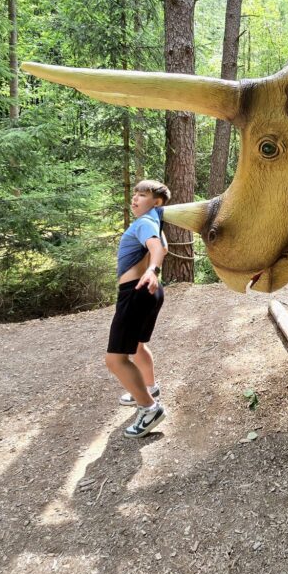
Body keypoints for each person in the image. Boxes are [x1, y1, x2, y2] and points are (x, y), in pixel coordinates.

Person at [107, 179, 169, 438]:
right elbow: (163, 247)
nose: (134, 199)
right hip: (149, 292)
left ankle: (149, 407)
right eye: (135, 194)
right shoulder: (155, 221)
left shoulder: (144, 223)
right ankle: (149, 388)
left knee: (115, 360)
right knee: (138, 346)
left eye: (142, 195)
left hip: (135, 292)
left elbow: (156, 248)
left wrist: (151, 270)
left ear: (156, 202)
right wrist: (152, 272)